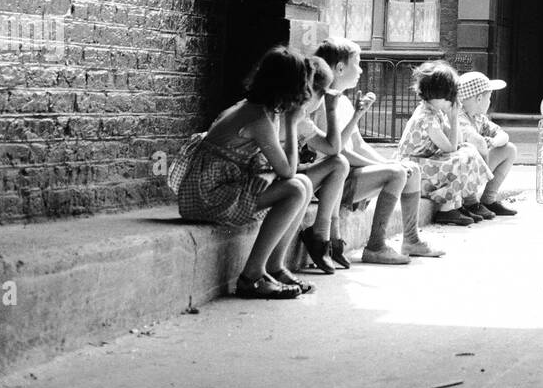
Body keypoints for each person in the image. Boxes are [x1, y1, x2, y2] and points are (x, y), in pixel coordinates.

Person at [168, 46, 316, 299]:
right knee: (294, 187)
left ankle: (275, 267)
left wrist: (269, 174)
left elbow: (275, 167)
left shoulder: (258, 109)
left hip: (220, 188)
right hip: (207, 197)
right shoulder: (258, 118)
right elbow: (287, 170)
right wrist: (293, 123)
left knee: (305, 183)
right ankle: (251, 277)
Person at [310, 38, 444, 265]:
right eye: (357, 63)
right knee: (397, 173)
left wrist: (387, 162)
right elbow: (339, 153)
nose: (361, 70)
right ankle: (376, 246)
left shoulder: (344, 102)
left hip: (349, 175)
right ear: (340, 68)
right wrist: (385, 167)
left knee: (410, 169)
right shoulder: (324, 105)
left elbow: (358, 145)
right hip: (332, 182)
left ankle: (411, 240)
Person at [397, 60, 490, 226]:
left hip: (425, 164)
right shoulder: (425, 118)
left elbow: (458, 142)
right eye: (450, 96)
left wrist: (452, 117)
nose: (453, 100)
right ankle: (446, 210)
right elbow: (450, 148)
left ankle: (457, 205)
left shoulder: (436, 112)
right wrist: (453, 118)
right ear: (439, 95)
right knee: (458, 160)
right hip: (413, 172)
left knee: (467, 149)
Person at [288, 55, 350, 285]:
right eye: (322, 95)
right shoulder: (289, 114)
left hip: (288, 174)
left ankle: (320, 234)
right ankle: (321, 238)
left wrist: (332, 110)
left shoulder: (302, 119)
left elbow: (333, 148)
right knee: (335, 165)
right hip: (276, 178)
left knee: (339, 163)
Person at [456, 71, 519, 218]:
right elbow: (475, 142)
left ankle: (488, 200)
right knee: (470, 152)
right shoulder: (458, 117)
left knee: (509, 149)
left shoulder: (479, 118)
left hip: (469, 172)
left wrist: (494, 142)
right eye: (489, 97)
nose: (490, 102)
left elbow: (503, 135)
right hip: (456, 175)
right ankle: (470, 203)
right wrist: (486, 144)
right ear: (479, 98)